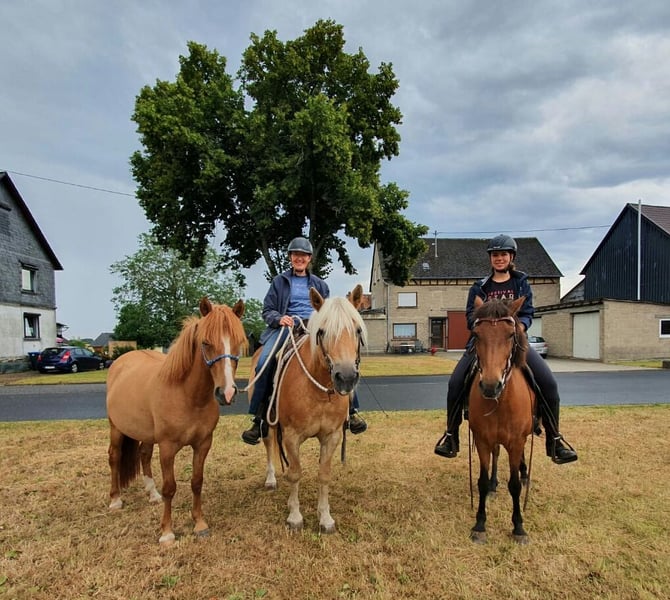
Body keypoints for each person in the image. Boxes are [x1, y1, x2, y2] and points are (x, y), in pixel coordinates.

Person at [434, 234, 578, 464]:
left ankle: (554, 439)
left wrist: (519, 327)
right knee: (455, 383)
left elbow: (528, 312)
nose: (499, 258)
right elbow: (470, 316)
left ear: (511, 257)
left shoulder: (521, 283)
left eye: (503, 254)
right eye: (495, 255)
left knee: (549, 383)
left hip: (515, 341)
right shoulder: (480, 287)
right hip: (484, 343)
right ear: (490, 258)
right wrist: (483, 325)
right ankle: (451, 436)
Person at [241, 236, 367, 445]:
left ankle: (351, 412)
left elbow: (327, 311)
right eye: (295, 255)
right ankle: (259, 418)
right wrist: (279, 318)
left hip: (314, 329)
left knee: (341, 360)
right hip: (286, 328)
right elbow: (267, 310)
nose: (299, 258)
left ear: (309, 259)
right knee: (264, 361)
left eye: (303, 255)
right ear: (290, 257)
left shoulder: (320, 284)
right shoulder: (279, 282)